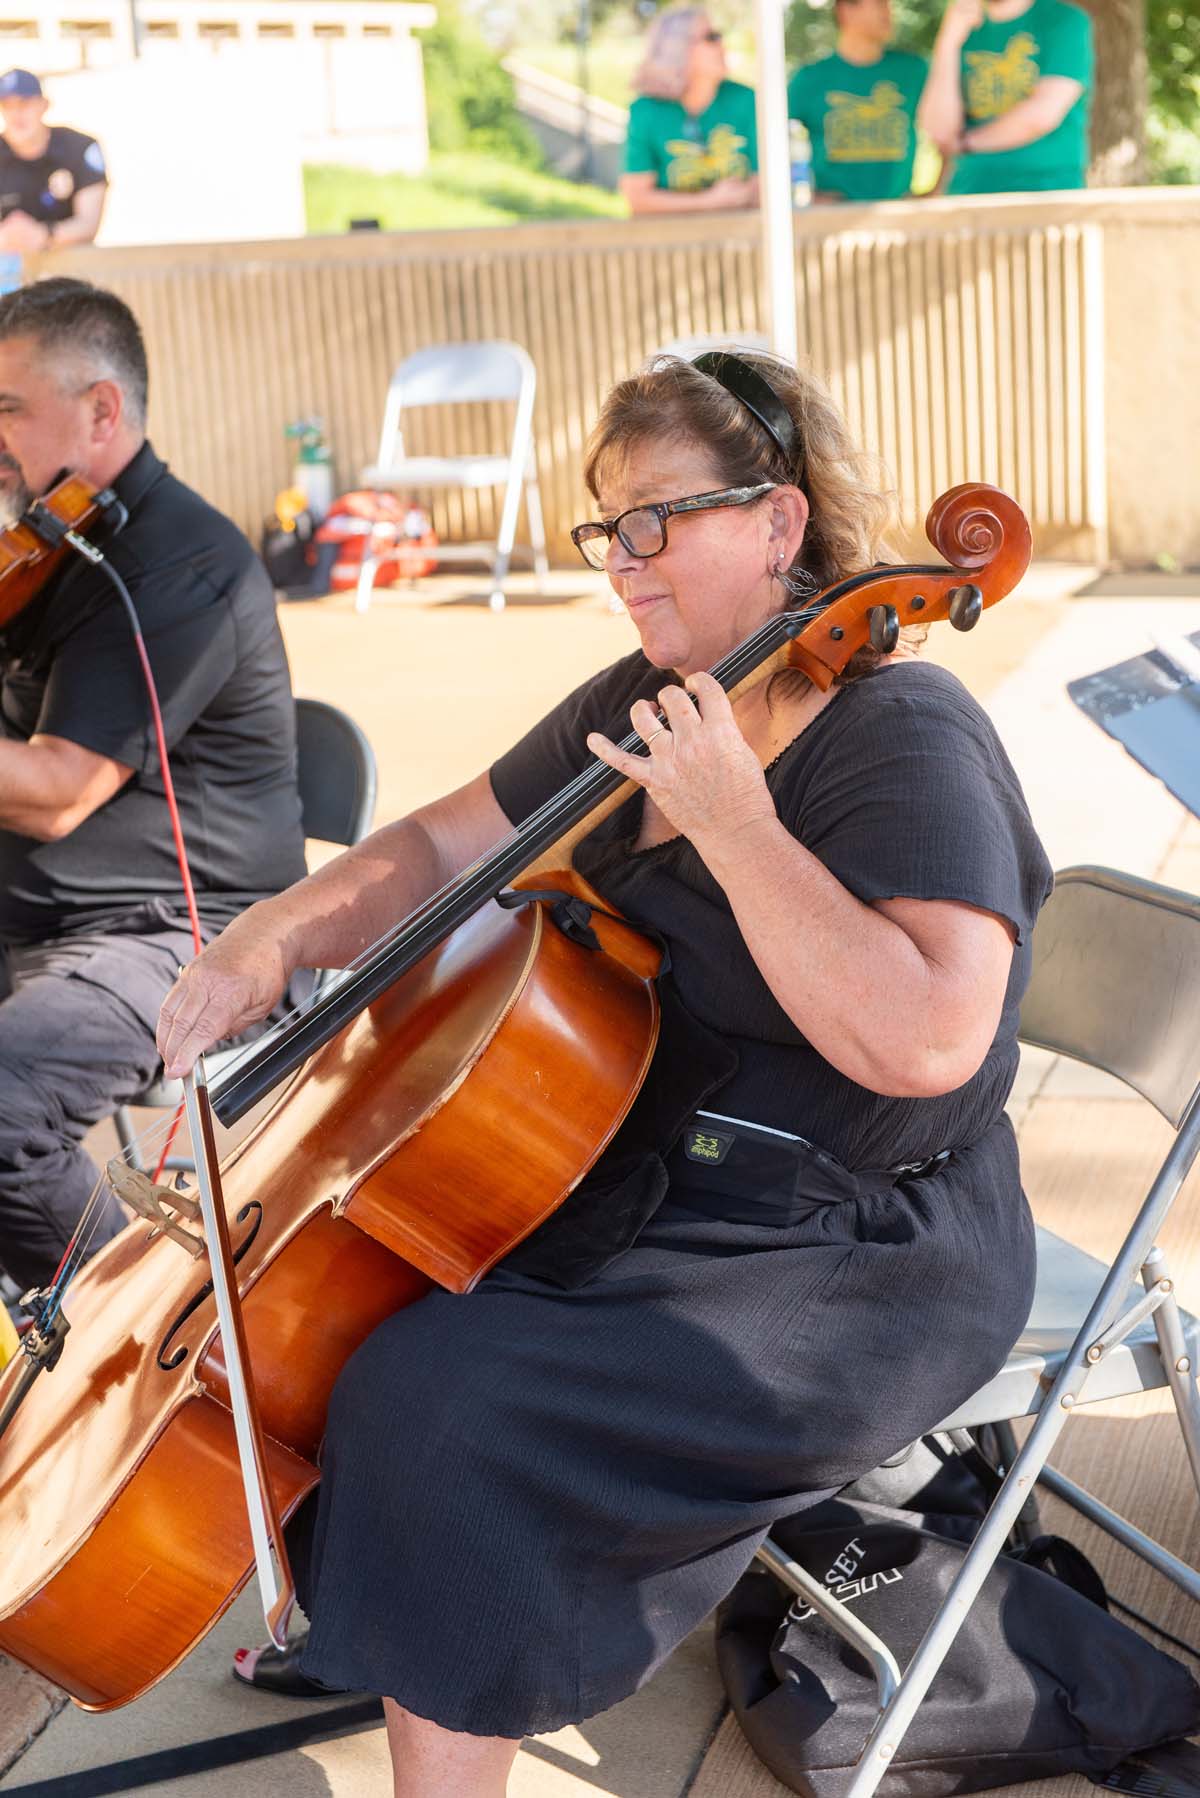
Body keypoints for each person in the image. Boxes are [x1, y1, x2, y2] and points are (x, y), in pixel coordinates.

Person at [157, 348, 1052, 1796]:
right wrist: (268, 942)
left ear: (780, 523)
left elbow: (931, 1033)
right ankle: (405, 1618)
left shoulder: (905, 732)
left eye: (658, 519)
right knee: (368, 1316)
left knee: (454, 1406)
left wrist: (735, 825)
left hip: (863, 1247)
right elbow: (444, 847)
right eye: (605, 526)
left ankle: (434, 1666)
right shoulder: (653, 689)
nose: (625, 563)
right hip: (659, 1180)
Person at [0, 275, 306, 1296]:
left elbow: (57, 787)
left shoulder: (179, 567)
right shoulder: (53, 545)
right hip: (45, 919)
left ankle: (110, 1346)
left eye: (6, 413)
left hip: (179, 932)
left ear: (100, 411)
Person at [919, 0, 1093, 196]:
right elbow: (939, 131)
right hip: (969, 192)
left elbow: (1041, 115)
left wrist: (964, 144)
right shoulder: (963, 25)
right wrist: (948, 42)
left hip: (1046, 192)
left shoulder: (1064, 19)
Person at [788, 0, 928, 204]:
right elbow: (764, 139)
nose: (888, 12)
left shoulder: (914, 70)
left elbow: (953, 127)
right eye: (879, 4)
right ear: (846, 11)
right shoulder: (810, 79)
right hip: (834, 222)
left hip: (899, 218)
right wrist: (795, 193)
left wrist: (938, 190)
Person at [621, 8, 759, 214]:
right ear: (677, 48)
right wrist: (709, 201)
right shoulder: (646, 111)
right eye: (712, 38)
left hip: (743, 238)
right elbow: (638, 200)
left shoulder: (747, 100)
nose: (723, 45)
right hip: (673, 240)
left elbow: (768, 187)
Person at [0, 69, 106, 254]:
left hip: (69, 267)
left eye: (24, 103)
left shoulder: (78, 147)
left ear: (44, 105)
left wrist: (44, 234)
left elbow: (89, 224)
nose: (17, 114)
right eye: (8, 106)